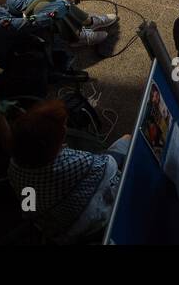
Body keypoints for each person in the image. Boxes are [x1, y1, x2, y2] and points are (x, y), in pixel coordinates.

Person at [8, 100, 128, 244]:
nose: (65, 128)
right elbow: (110, 165)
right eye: (63, 127)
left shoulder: (15, 167)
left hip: (54, 228)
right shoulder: (71, 162)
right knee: (127, 140)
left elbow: (29, 206)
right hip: (92, 226)